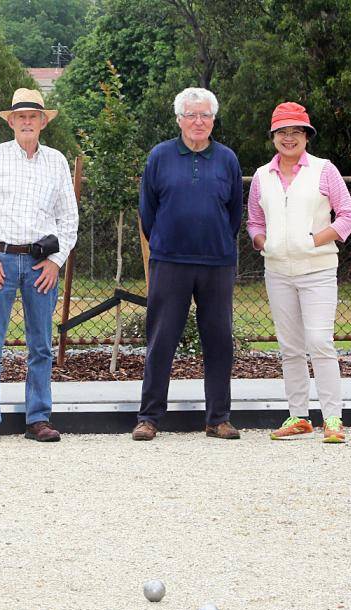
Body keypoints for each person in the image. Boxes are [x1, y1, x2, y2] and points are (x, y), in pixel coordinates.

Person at [0, 88, 79, 443]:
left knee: (41, 345)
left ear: (43, 122)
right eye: (21, 117)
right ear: (11, 122)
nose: (27, 122)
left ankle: (38, 419)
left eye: (33, 117)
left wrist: (56, 262)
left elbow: (68, 219)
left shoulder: (57, 162)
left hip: (40, 265)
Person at [131, 87, 244, 441]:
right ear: (179, 119)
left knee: (219, 341)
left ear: (213, 120)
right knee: (161, 339)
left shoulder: (227, 159)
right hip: (170, 261)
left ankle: (218, 418)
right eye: (192, 115)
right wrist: (166, 240)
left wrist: (217, 241)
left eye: (205, 115)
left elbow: (234, 213)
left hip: (216, 262)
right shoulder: (160, 156)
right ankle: (149, 418)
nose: (199, 121)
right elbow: (148, 211)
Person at [246, 102, 351, 443]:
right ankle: (298, 416)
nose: (289, 138)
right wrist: (263, 242)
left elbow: (347, 216)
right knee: (290, 347)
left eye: (296, 131)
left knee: (320, 342)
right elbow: (254, 221)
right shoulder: (262, 176)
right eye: (282, 132)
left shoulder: (325, 170)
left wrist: (314, 240)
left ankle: (333, 418)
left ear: (307, 136)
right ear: (273, 137)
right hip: (278, 271)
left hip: (318, 269)